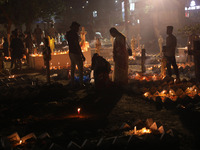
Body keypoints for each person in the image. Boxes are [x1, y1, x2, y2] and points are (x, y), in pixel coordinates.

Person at [66, 21, 86, 88]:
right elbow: (77, 45)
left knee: (73, 68)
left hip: (71, 52)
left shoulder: (68, 34)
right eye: (77, 27)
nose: (78, 29)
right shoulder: (74, 34)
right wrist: (82, 55)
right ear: (74, 27)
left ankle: (72, 82)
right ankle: (81, 83)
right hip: (76, 53)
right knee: (80, 68)